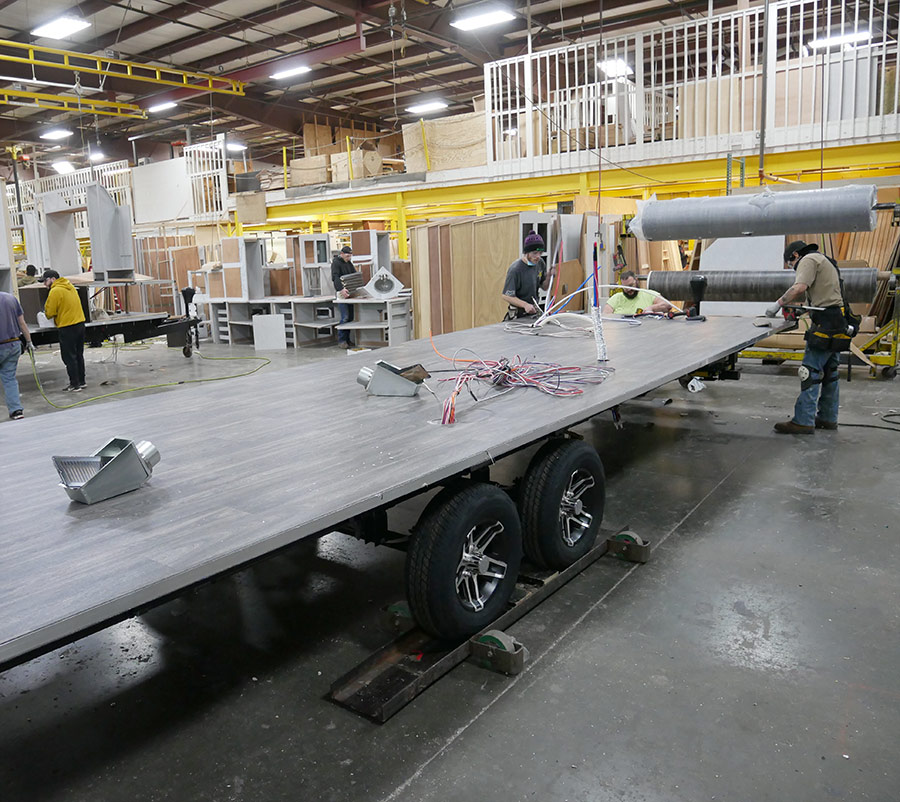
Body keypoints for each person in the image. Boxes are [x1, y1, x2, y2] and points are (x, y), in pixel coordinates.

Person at [765, 240, 847, 434]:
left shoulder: (808, 260)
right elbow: (822, 296)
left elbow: (799, 287)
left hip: (824, 324)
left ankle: (803, 421)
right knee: (830, 373)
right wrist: (799, 312)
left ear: (794, 256)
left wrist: (777, 304)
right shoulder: (824, 260)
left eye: (790, 264)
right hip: (836, 319)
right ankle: (828, 418)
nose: (793, 267)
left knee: (809, 372)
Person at [42, 270, 86, 392]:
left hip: (67, 327)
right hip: (80, 324)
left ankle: (74, 384)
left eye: (45, 281)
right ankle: (82, 381)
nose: (45, 285)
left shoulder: (55, 290)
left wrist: (45, 310)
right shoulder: (70, 286)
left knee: (68, 357)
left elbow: (50, 313)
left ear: (52, 279)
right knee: (78, 354)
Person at [501, 231, 557, 318]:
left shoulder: (540, 263)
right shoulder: (515, 269)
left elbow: (544, 287)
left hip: (533, 312)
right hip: (518, 314)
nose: (538, 256)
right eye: (534, 253)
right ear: (526, 253)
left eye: (540, 253)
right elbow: (506, 296)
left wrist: (549, 276)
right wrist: (525, 305)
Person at [0, 290, 33, 420]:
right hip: (12, 344)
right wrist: (29, 341)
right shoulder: (10, 299)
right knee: (9, 379)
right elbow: (22, 323)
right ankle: (16, 410)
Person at [602, 270, 670, 315]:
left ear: (636, 281)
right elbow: (606, 317)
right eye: (626, 288)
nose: (629, 290)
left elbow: (667, 305)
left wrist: (652, 308)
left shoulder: (649, 294)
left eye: (631, 286)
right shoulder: (616, 298)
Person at [331, 245, 355, 349]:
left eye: (350, 256)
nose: (348, 258)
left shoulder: (348, 263)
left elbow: (354, 275)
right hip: (341, 293)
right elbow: (335, 277)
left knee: (350, 318)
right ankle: (341, 340)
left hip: (350, 293)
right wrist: (341, 289)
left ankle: (347, 339)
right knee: (344, 317)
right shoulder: (336, 263)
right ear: (341, 254)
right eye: (347, 256)